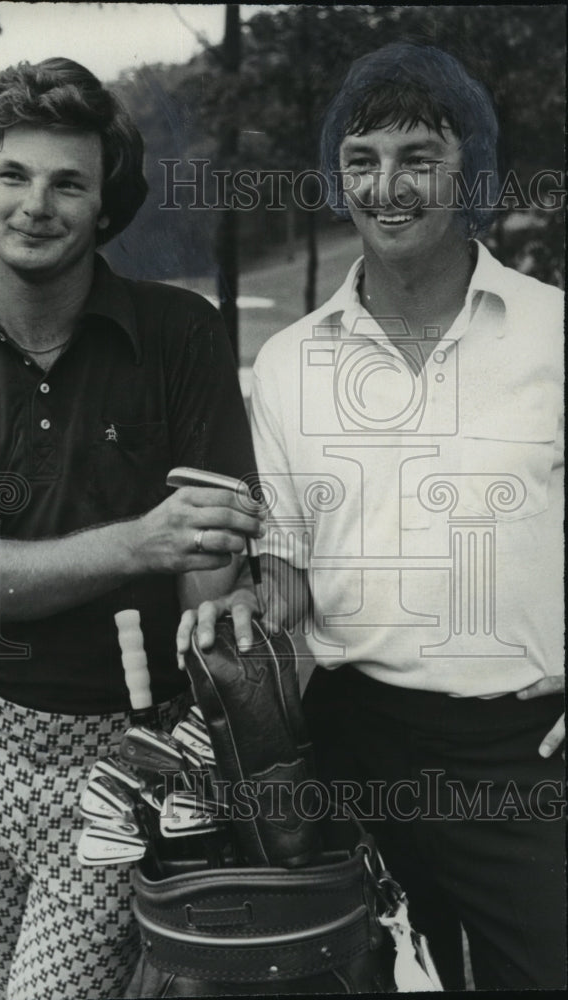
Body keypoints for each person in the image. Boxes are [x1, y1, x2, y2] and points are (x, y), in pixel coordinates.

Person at [179, 42, 565, 990]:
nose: (386, 187)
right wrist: (243, 607)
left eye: (416, 157)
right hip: (355, 744)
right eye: (361, 161)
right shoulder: (288, 365)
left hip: (527, 751)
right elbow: (290, 575)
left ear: (466, 168)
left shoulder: (554, 332)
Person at [0, 58, 264, 1000]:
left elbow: (208, 554)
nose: (35, 205)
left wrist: (211, 625)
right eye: (13, 175)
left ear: (105, 205)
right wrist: (143, 540)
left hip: (125, 748)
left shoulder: (180, 334)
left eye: (68, 183)